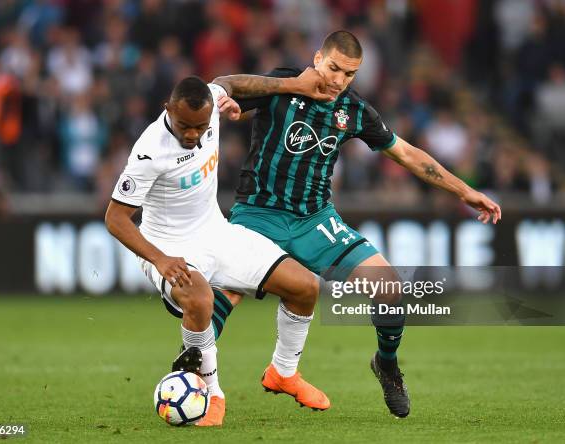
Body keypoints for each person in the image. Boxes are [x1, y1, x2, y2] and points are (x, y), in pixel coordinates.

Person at [213, 30, 502, 418]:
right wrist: (286, 85)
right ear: (317, 58)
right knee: (226, 293)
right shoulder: (280, 84)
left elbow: (406, 154)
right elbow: (223, 87)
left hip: (315, 219)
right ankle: (195, 372)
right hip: (257, 215)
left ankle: (385, 363)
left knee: (388, 287)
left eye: (349, 74)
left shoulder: (353, 111)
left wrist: (463, 190)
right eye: (333, 68)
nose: (338, 80)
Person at [104, 73, 333, 426]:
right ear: (168, 109)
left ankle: (284, 372)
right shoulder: (149, 150)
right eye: (184, 126)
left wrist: (294, 85)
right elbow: (115, 218)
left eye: (200, 125)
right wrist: (161, 260)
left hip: (217, 232)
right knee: (199, 300)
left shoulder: (211, 103)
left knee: (306, 287)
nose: (193, 134)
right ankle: (212, 395)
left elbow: (229, 81)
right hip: (169, 247)